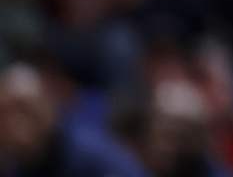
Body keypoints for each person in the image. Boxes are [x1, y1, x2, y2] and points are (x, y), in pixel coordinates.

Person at [0, 63, 145, 177]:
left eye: (25, 110)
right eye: (5, 113)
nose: (16, 123)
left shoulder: (90, 155)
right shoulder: (17, 163)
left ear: (48, 108)